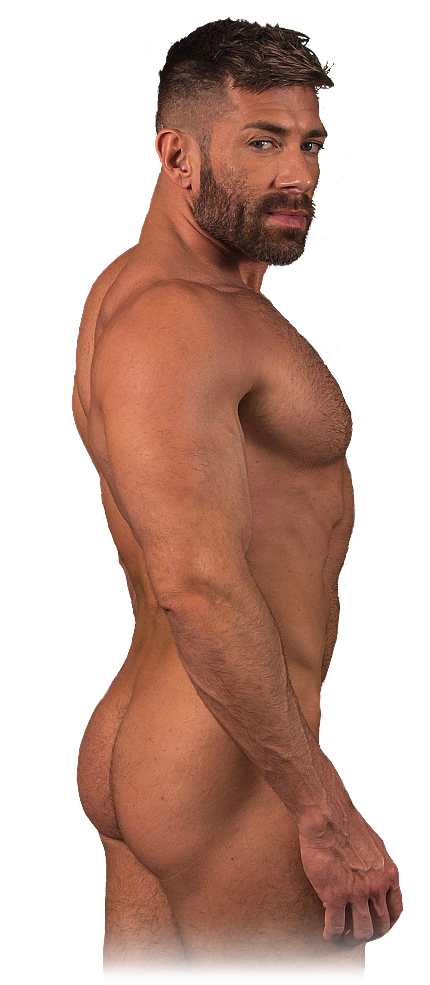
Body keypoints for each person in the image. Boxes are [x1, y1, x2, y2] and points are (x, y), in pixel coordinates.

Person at [71, 17, 404, 985]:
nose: (297, 175)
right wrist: (322, 809)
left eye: (310, 144)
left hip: (159, 737)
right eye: (261, 143)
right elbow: (200, 584)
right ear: (176, 154)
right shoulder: (179, 320)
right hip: (228, 765)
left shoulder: (132, 292)